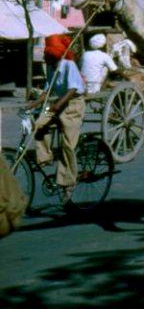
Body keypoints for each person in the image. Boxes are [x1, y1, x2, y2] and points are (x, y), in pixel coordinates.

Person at [28, 34, 86, 204]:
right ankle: (45, 158)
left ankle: (68, 182)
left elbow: (73, 89)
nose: (44, 57)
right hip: (59, 104)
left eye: (46, 54)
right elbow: (47, 91)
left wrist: (58, 104)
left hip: (73, 105)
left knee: (67, 145)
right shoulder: (52, 68)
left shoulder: (69, 65)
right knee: (39, 124)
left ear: (53, 54)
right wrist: (32, 104)